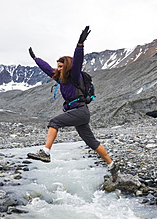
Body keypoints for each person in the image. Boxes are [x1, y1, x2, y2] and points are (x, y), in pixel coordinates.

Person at [27, 26, 119, 181]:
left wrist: (80, 44)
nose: (58, 68)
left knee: (54, 122)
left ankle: (46, 152)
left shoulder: (74, 76)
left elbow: (77, 60)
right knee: (91, 142)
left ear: (68, 67)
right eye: (58, 66)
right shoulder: (59, 78)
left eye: (61, 66)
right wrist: (36, 59)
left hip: (80, 111)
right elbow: (46, 69)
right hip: (80, 113)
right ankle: (112, 165)